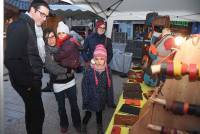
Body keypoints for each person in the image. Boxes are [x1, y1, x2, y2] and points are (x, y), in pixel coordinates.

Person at [4, 1, 49, 134]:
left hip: (32, 79)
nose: (45, 18)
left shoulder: (31, 25)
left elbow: (30, 52)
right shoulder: (20, 26)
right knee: (38, 115)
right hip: (28, 81)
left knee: (32, 112)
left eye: (46, 16)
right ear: (33, 10)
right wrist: (28, 84)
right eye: (42, 14)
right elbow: (10, 60)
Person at [43, 28, 81, 133]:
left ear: (55, 36)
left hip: (70, 81)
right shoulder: (46, 51)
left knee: (74, 104)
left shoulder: (62, 45)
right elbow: (52, 68)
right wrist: (69, 69)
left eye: (52, 36)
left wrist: (75, 64)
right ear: (45, 40)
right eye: (48, 38)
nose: (51, 40)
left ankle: (77, 123)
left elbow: (73, 56)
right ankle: (64, 124)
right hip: (58, 84)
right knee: (61, 107)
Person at [81, 44, 115, 134]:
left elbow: (109, 86)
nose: (99, 61)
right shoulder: (89, 71)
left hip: (101, 98)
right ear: (94, 58)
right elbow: (84, 86)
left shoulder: (107, 70)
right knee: (88, 114)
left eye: (101, 59)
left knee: (99, 114)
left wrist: (110, 100)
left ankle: (99, 127)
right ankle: (84, 124)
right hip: (91, 97)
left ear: (105, 59)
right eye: (97, 59)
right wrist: (85, 98)